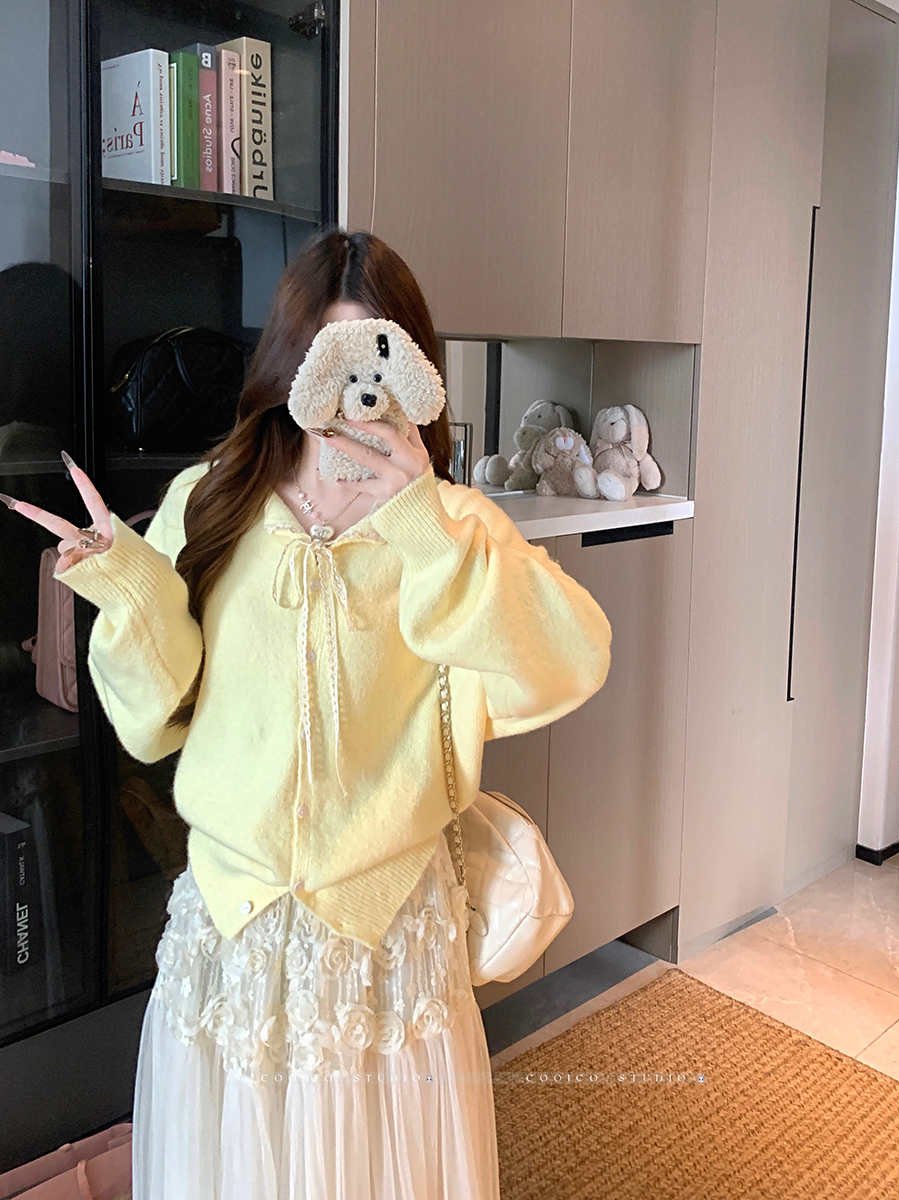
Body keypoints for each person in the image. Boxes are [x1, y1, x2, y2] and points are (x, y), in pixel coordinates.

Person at [0, 228, 613, 1199]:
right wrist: (128, 587)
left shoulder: (450, 526)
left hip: (383, 938)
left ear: (416, 377)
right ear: (289, 368)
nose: (352, 399)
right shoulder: (215, 498)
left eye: (379, 365)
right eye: (329, 363)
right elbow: (154, 718)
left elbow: (570, 661)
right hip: (232, 929)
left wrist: (422, 522)